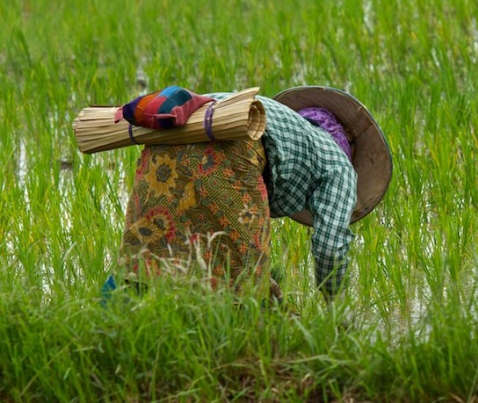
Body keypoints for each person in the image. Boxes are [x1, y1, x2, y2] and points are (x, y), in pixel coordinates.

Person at [102, 86, 392, 305]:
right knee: (246, 284)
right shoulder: (338, 165)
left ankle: (102, 326)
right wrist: (334, 306)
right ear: (346, 147)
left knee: (141, 257)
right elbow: (330, 245)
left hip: (166, 141)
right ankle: (244, 354)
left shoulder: (272, 117)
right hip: (231, 156)